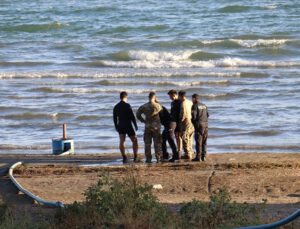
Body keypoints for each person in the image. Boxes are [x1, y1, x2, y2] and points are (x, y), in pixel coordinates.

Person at [136, 92, 162, 163]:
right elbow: (162, 115)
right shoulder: (158, 106)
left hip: (147, 126)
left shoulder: (144, 106)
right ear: (154, 97)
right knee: (157, 142)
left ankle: (148, 158)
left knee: (147, 143)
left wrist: (143, 120)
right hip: (156, 127)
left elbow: (138, 114)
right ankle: (158, 157)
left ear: (148, 97)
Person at [113, 91, 139, 163]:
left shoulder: (116, 106)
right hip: (128, 125)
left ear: (120, 97)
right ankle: (135, 157)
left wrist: (116, 126)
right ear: (126, 97)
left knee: (122, 141)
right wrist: (135, 125)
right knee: (135, 140)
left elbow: (114, 118)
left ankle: (124, 157)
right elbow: (132, 117)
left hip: (120, 125)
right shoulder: (127, 105)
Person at [191, 94, 209, 162]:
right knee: (204, 141)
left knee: (198, 141)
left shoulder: (194, 106)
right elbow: (208, 115)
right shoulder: (204, 105)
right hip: (206, 124)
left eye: (192, 99)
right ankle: (204, 156)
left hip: (199, 125)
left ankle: (198, 157)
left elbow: (194, 117)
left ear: (194, 99)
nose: (191, 100)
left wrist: (193, 123)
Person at [178, 90, 194, 160]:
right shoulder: (190, 102)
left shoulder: (183, 103)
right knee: (190, 138)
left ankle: (188, 154)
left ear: (180, 96)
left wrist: (180, 122)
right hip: (191, 121)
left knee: (185, 138)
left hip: (185, 122)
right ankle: (190, 152)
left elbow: (183, 115)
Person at [167, 89, 181, 162]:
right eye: (170, 96)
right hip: (173, 122)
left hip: (178, 123)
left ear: (175, 95)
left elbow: (182, 114)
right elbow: (172, 113)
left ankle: (177, 155)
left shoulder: (180, 102)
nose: (171, 97)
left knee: (177, 138)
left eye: (172, 96)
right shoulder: (172, 103)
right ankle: (176, 154)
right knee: (171, 137)